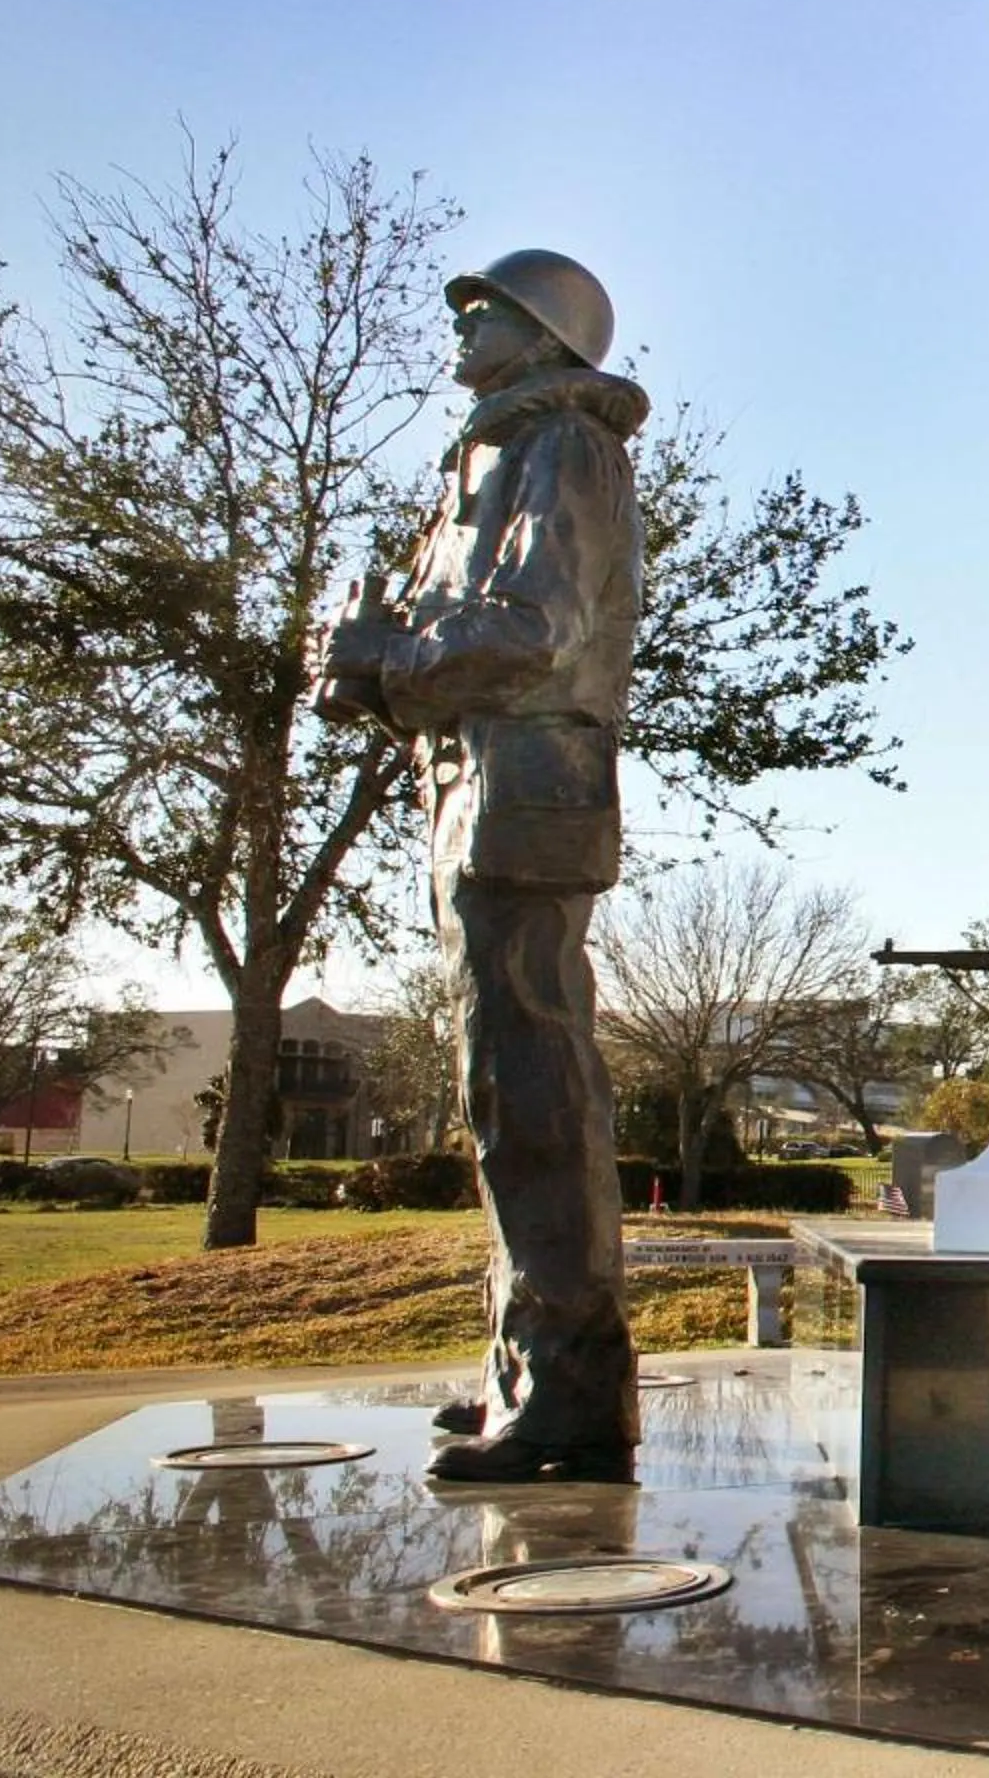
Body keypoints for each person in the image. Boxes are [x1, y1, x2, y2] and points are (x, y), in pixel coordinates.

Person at [312, 249, 646, 1481]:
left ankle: (568, 1388)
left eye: (485, 306)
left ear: (550, 332)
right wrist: (376, 661)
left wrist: (394, 657)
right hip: (481, 780)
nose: (461, 321)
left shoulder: (562, 444)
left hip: (530, 782)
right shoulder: (499, 451)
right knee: (500, 1087)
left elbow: (531, 630)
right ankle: (531, 1373)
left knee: (534, 1085)